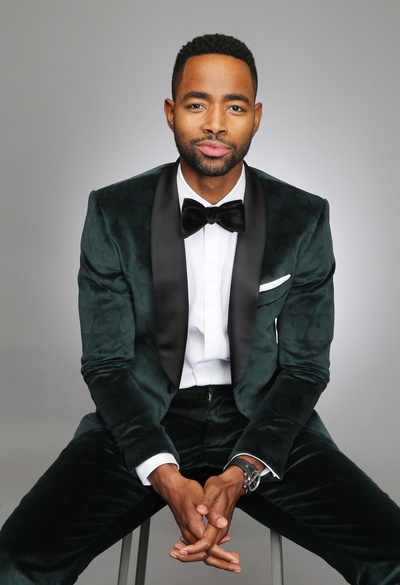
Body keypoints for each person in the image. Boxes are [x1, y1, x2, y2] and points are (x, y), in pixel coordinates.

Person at [0, 33, 399, 585]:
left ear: (256, 117)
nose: (215, 124)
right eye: (196, 104)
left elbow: (306, 368)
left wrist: (243, 469)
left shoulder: (304, 217)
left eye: (234, 107)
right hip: (142, 415)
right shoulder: (113, 212)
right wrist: (163, 473)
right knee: (15, 563)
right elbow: (106, 365)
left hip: (262, 418)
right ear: (171, 112)